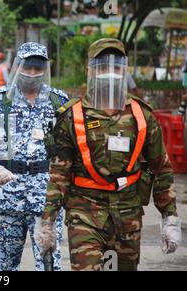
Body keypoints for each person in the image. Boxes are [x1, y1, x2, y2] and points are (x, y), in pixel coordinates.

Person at [37, 38, 182, 271]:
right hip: (84, 213)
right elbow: (59, 174)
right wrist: (47, 221)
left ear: (124, 70)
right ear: (90, 71)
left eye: (115, 66)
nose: (109, 71)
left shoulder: (141, 115)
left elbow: (161, 168)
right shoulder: (71, 117)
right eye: (102, 65)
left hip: (128, 215)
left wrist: (170, 218)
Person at [0, 42, 68, 271]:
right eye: (28, 67)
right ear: (18, 66)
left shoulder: (59, 102)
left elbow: (70, 149)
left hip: (46, 199)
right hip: (8, 196)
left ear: (45, 69)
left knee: (49, 265)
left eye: (38, 68)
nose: (33, 73)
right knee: (6, 266)